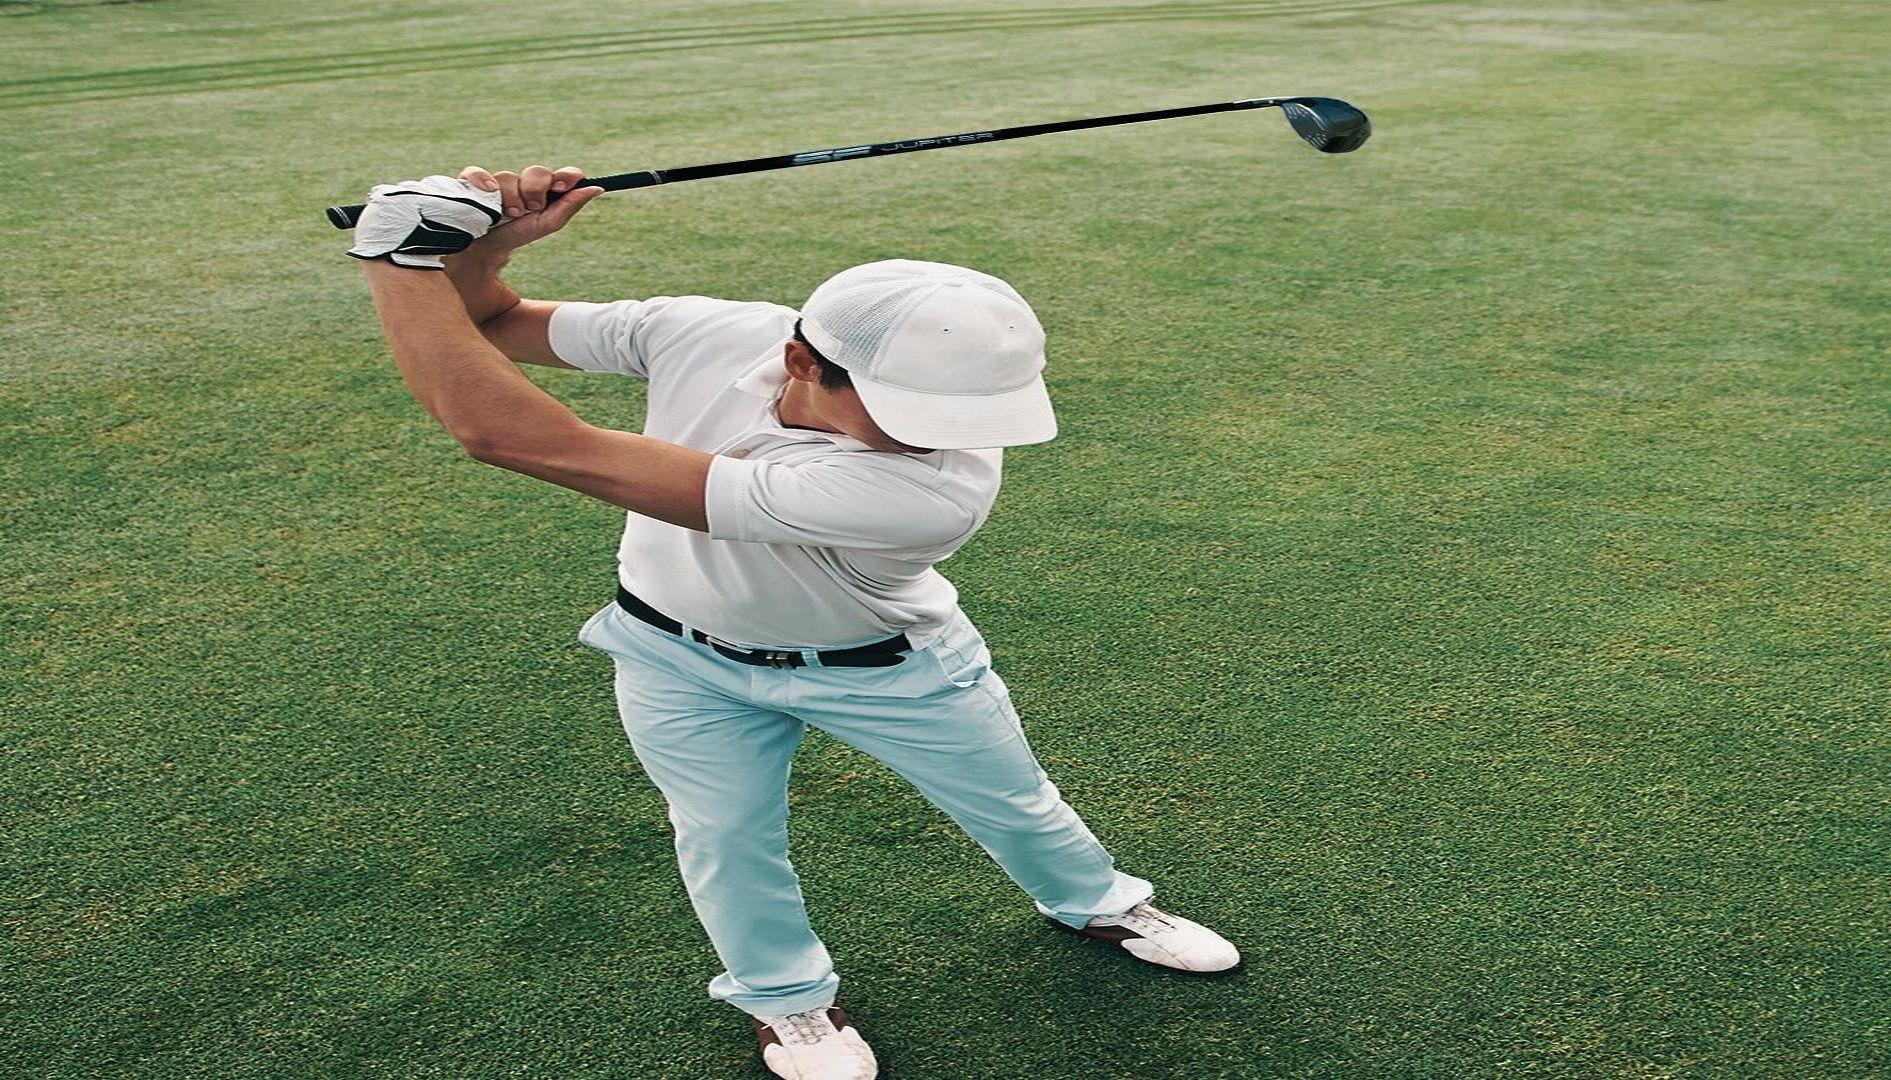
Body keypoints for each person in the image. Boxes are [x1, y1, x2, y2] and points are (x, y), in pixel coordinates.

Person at [349, 166, 1240, 1080]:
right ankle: (785, 999)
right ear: (803, 362)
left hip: (885, 667)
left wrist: (398, 256)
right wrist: (482, 253)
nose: (947, 433)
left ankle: (1097, 902)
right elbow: (494, 320)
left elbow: (513, 437)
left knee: (1014, 801)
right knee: (724, 837)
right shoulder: (704, 329)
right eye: (914, 409)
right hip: (673, 654)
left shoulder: (929, 490)